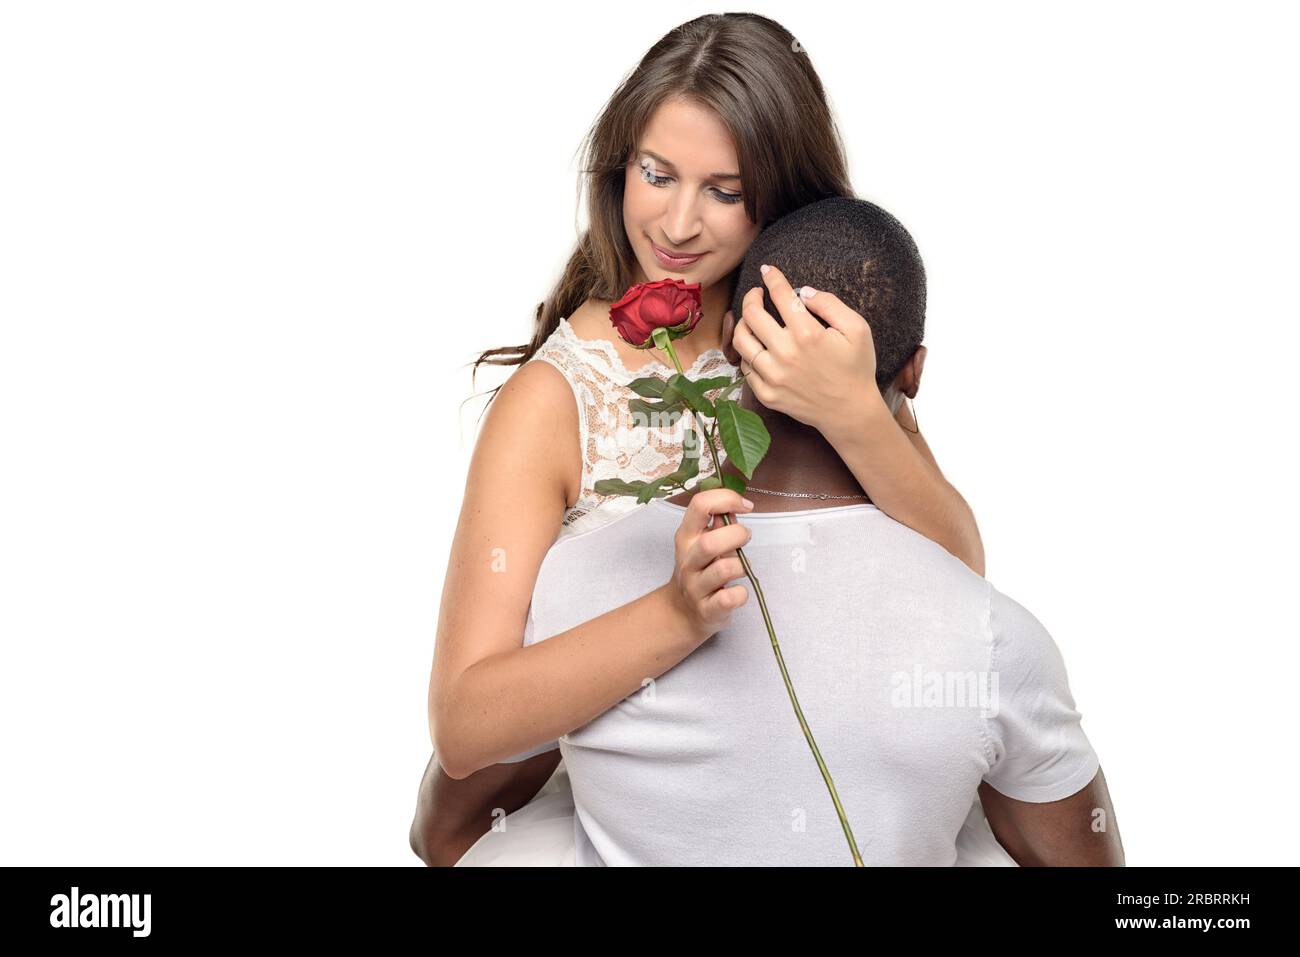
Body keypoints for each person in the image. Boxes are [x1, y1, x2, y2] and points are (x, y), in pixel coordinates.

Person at [412, 13, 990, 866]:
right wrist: (675, 615)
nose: (679, 224)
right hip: (643, 812)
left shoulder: (810, 327)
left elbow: (961, 576)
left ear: (784, 194)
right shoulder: (553, 402)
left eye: (725, 191)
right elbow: (464, 722)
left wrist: (860, 415)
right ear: (620, 169)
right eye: (657, 175)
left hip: (836, 771)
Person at [456, 197, 1124, 866]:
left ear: (729, 341)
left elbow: (446, 826)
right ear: (914, 370)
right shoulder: (993, 639)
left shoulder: (574, 580)